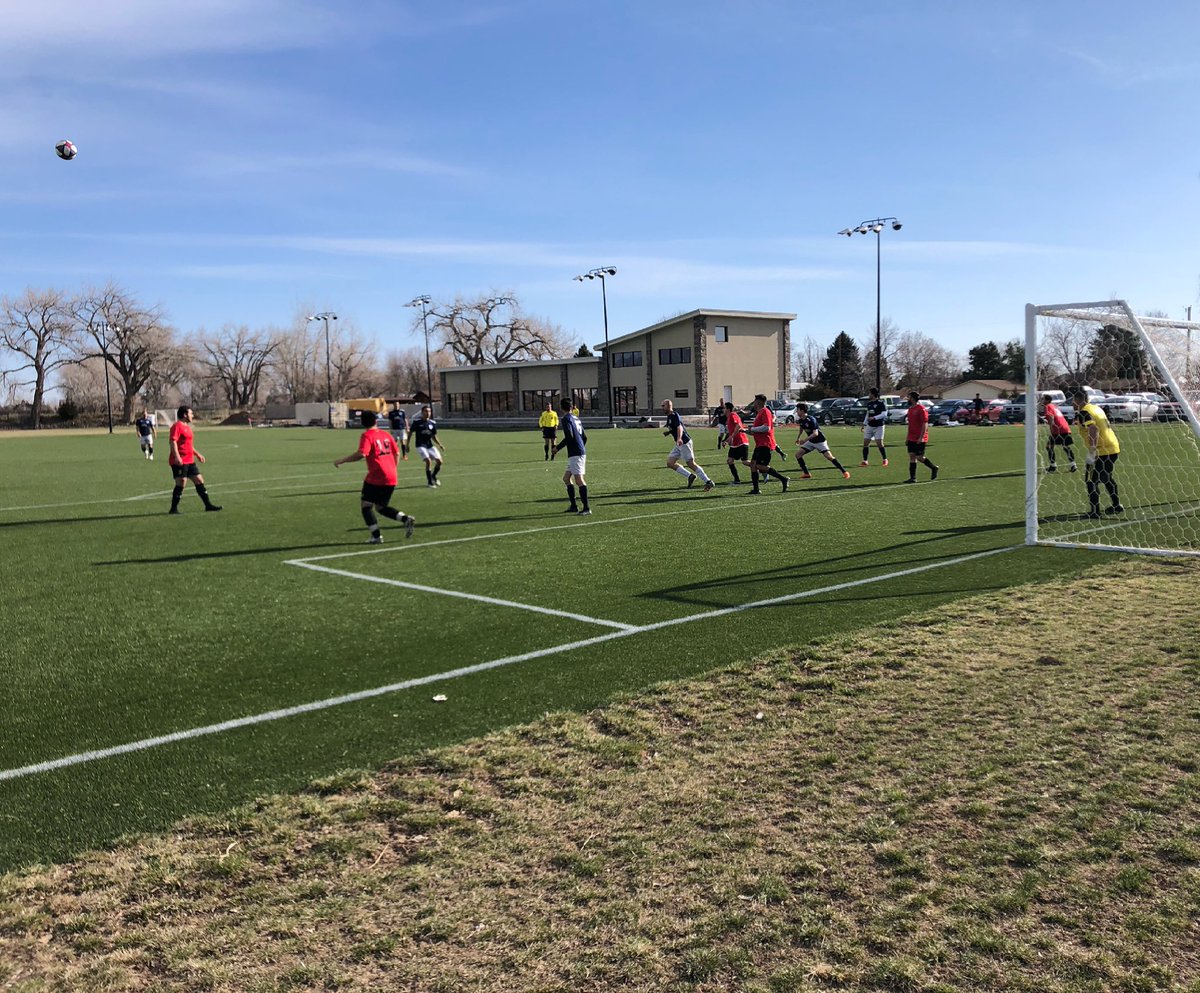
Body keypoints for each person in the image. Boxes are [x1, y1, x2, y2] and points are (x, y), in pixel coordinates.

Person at [334, 411, 415, 544]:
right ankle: (405, 519)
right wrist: (393, 468)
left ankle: (376, 536)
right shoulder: (386, 434)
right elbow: (397, 452)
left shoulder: (367, 435)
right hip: (391, 475)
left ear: (362, 423)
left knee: (366, 505)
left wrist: (342, 460)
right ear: (376, 421)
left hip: (377, 475)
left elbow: (362, 454)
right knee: (380, 507)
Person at [1071, 386, 1122, 518]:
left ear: (1077, 399)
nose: (1071, 403)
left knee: (1090, 480)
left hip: (1101, 450)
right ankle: (1117, 505)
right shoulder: (1096, 408)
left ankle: (1095, 512)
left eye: (1072, 400)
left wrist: (1093, 449)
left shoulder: (1083, 412)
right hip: (1113, 447)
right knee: (1106, 478)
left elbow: (1093, 429)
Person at [167, 406, 221, 514]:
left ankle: (208, 505)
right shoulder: (177, 426)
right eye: (191, 413)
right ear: (185, 415)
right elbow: (173, 442)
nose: (193, 415)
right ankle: (173, 509)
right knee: (181, 482)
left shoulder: (187, 427)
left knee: (199, 480)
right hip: (180, 460)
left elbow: (188, 445)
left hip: (189, 460)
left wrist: (197, 454)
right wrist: (177, 457)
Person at [661, 399, 715, 492]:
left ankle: (708, 481)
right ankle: (690, 476)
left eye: (663, 406)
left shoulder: (674, 415)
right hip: (679, 444)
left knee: (691, 463)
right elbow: (674, 427)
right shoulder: (669, 416)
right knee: (670, 463)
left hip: (684, 442)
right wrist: (669, 432)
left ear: (669, 406)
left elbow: (679, 427)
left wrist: (679, 438)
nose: (662, 407)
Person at [552, 396, 590, 515]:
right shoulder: (576, 418)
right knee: (566, 478)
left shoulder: (566, 419)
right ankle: (574, 506)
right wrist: (580, 447)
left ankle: (587, 508)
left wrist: (557, 448)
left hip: (576, 454)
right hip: (578, 452)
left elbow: (570, 436)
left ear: (561, 408)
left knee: (579, 480)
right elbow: (584, 437)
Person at [793, 403, 851, 480]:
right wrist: (798, 438)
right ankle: (806, 473)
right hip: (811, 441)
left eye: (798, 410)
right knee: (798, 455)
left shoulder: (811, 419)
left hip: (820, 441)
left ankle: (845, 472)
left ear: (802, 411)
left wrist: (804, 440)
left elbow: (815, 434)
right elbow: (801, 428)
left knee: (829, 457)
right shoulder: (801, 420)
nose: (797, 412)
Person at [745, 394, 789, 495]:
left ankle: (783, 479)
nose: (754, 403)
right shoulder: (759, 413)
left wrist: (752, 429)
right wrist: (745, 431)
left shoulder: (765, 412)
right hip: (759, 444)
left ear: (759, 402)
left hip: (766, 444)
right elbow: (757, 430)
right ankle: (756, 489)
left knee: (760, 466)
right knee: (753, 465)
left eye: (755, 401)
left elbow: (766, 428)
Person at [903, 390, 939, 483]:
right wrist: (907, 437)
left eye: (909, 397)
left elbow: (925, 423)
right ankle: (913, 478)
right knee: (912, 456)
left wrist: (922, 437)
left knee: (919, 457)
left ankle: (933, 468)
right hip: (911, 437)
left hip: (919, 437)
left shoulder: (921, 409)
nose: (908, 399)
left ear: (913, 398)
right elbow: (910, 425)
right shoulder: (910, 409)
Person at [410, 404, 445, 486]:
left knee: (440, 461)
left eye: (429, 411)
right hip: (420, 445)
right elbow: (410, 433)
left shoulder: (432, 423)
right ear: (422, 412)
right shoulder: (417, 422)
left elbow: (434, 436)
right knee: (428, 461)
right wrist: (407, 444)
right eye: (426, 411)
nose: (428, 413)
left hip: (429, 445)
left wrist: (440, 445)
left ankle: (433, 476)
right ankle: (430, 482)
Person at [1041, 394, 1077, 473]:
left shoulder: (1047, 406)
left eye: (1043, 399)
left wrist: (1051, 426)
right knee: (1065, 447)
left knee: (1049, 446)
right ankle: (1073, 465)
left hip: (1058, 429)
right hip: (1065, 427)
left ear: (1047, 400)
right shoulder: (1054, 406)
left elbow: (1050, 417)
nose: (1042, 401)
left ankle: (1053, 466)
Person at [723, 401, 753, 484]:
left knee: (745, 462)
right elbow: (731, 431)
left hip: (741, 442)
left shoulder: (733, 415)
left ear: (728, 409)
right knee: (730, 461)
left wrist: (731, 437)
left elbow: (738, 426)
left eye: (724, 408)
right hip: (735, 444)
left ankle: (762, 469)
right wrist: (726, 440)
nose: (723, 410)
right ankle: (737, 480)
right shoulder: (729, 417)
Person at [860, 387, 889, 467]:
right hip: (870, 426)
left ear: (873, 394)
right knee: (865, 443)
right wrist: (864, 424)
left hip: (879, 426)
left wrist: (874, 418)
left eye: (869, 393)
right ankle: (865, 461)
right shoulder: (869, 404)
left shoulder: (881, 403)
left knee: (879, 443)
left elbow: (884, 414)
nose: (868, 395)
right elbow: (868, 414)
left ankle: (885, 459)